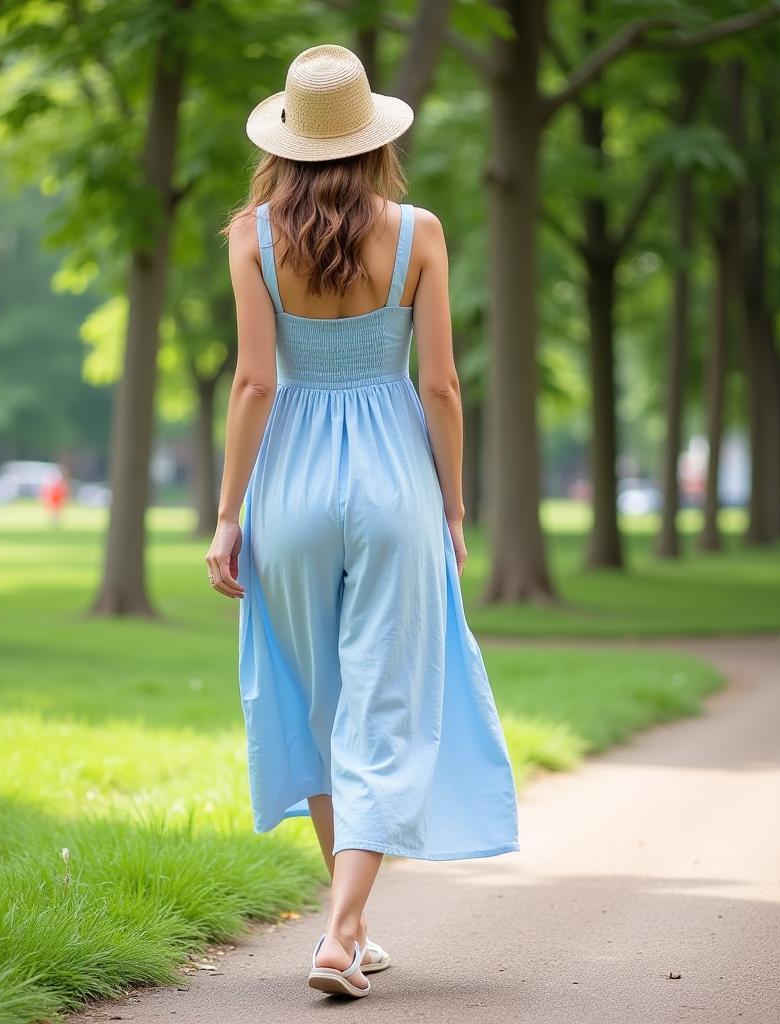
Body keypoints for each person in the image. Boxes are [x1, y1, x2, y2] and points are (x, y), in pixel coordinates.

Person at [205, 43, 519, 999]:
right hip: (393, 481)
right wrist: (454, 506)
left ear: (288, 142)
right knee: (387, 698)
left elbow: (255, 381)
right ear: (376, 140)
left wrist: (227, 517)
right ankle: (342, 933)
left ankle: (347, 927)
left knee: (313, 699)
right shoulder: (419, 232)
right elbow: (442, 386)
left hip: (291, 482)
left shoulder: (251, 237)